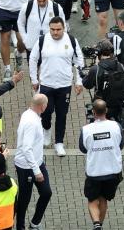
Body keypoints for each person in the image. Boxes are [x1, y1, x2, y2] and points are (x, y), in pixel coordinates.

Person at [29, 17, 83, 157]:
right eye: (52, 29)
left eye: (58, 29)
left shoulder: (71, 40)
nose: (55, 32)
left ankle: (59, 142)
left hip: (64, 86)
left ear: (63, 28)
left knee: (61, 115)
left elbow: (79, 61)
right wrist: (34, 79)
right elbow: (33, 59)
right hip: (46, 84)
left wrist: (79, 82)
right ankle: (46, 130)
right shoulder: (42, 40)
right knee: (46, 112)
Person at [79, 99, 124, 230]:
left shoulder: (86, 129)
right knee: (103, 199)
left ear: (93, 112)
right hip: (112, 171)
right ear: (106, 111)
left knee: (92, 200)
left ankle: (96, 224)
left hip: (95, 172)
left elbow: (83, 149)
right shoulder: (116, 126)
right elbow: (120, 145)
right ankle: (100, 225)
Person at [14, 94, 51, 230]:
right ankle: (20, 227)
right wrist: (36, 170)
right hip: (26, 167)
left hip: (37, 163)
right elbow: (26, 148)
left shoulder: (29, 114)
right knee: (24, 199)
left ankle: (35, 223)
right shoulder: (31, 122)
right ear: (42, 106)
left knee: (46, 192)